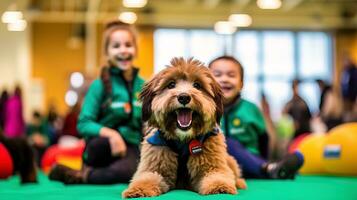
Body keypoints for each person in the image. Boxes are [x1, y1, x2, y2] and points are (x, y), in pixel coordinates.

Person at [49, 20, 145, 184]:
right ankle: (90, 170)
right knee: (97, 147)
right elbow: (83, 123)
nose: (123, 50)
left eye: (128, 45)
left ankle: (79, 175)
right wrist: (113, 135)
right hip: (102, 147)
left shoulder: (143, 85)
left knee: (126, 174)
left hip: (132, 147)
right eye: (116, 46)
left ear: (135, 49)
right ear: (107, 52)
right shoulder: (99, 85)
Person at [209, 56, 303, 179]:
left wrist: (262, 160)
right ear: (207, 82)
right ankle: (272, 168)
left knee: (230, 144)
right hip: (216, 164)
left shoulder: (251, 109)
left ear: (241, 84)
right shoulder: (203, 109)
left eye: (231, 75)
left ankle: (268, 167)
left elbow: (264, 138)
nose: (224, 79)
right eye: (217, 75)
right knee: (225, 142)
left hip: (248, 164)